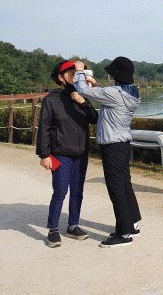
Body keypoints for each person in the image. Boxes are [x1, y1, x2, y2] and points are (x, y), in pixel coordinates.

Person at [73, 57, 141, 248]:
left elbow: (82, 90)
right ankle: (132, 223)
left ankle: (124, 234)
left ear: (115, 75)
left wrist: (80, 71)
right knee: (124, 185)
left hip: (112, 145)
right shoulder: (132, 92)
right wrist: (97, 86)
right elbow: (109, 94)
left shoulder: (114, 93)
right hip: (123, 143)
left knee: (116, 188)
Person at [37, 60, 98, 248]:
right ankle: (53, 229)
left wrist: (84, 102)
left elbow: (94, 118)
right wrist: (44, 155)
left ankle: (73, 225)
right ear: (60, 77)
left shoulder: (81, 95)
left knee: (77, 191)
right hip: (60, 153)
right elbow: (44, 128)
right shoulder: (51, 100)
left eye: (77, 72)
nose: (75, 75)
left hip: (81, 152)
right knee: (60, 191)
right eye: (70, 73)